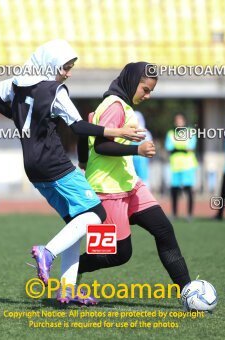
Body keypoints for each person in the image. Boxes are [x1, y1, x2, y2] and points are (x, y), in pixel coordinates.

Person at [0, 40, 144, 305]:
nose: (68, 73)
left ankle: (68, 290)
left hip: (33, 166)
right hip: (54, 163)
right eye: (66, 68)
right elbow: (80, 127)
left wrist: (24, 119)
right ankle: (47, 252)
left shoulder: (17, 82)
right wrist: (118, 132)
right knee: (96, 214)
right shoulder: (55, 90)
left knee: (76, 222)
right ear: (51, 65)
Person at [77, 62, 192, 292]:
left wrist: (83, 159)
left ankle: (188, 290)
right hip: (106, 190)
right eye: (145, 89)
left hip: (130, 185)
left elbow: (86, 130)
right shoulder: (115, 106)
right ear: (131, 81)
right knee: (119, 254)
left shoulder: (123, 106)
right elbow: (100, 146)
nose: (147, 95)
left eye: (151, 91)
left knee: (164, 230)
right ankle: (73, 268)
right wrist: (136, 150)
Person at [165, 114, 198, 221]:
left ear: (184, 121)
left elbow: (191, 147)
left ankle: (189, 214)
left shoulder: (190, 132)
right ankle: (174, 214)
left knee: (188, 190)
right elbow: (168, 147)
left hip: (188, 165)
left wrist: (176, 147)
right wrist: (182, 147)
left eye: (180, 120)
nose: (178, 122)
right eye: (177, 120)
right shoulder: (170, 133)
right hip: (175, 165)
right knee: (174, 190)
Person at [132, 111, 153, 187]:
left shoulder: (146, 134)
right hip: (131, 160)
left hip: (142, 161)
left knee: (144, 180)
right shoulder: (129, 133)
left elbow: (150, 148)